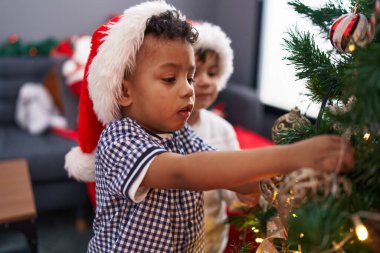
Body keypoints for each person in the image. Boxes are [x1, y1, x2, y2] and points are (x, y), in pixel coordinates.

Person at [64, 1, 355, 252]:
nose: (188, 90)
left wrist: (297, 179)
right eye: (170, 79)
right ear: (124, 92)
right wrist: (294, 155)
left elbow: (232, 175)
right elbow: (186, 172)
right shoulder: (118, 139)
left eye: (189, 78)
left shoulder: (181, 135)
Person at [187, 21, 258, 253]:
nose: (206, 81)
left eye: (213, 73)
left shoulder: (223, 131)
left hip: (211, 241)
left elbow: (232, 193)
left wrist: (243, 196)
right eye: (195, 73)